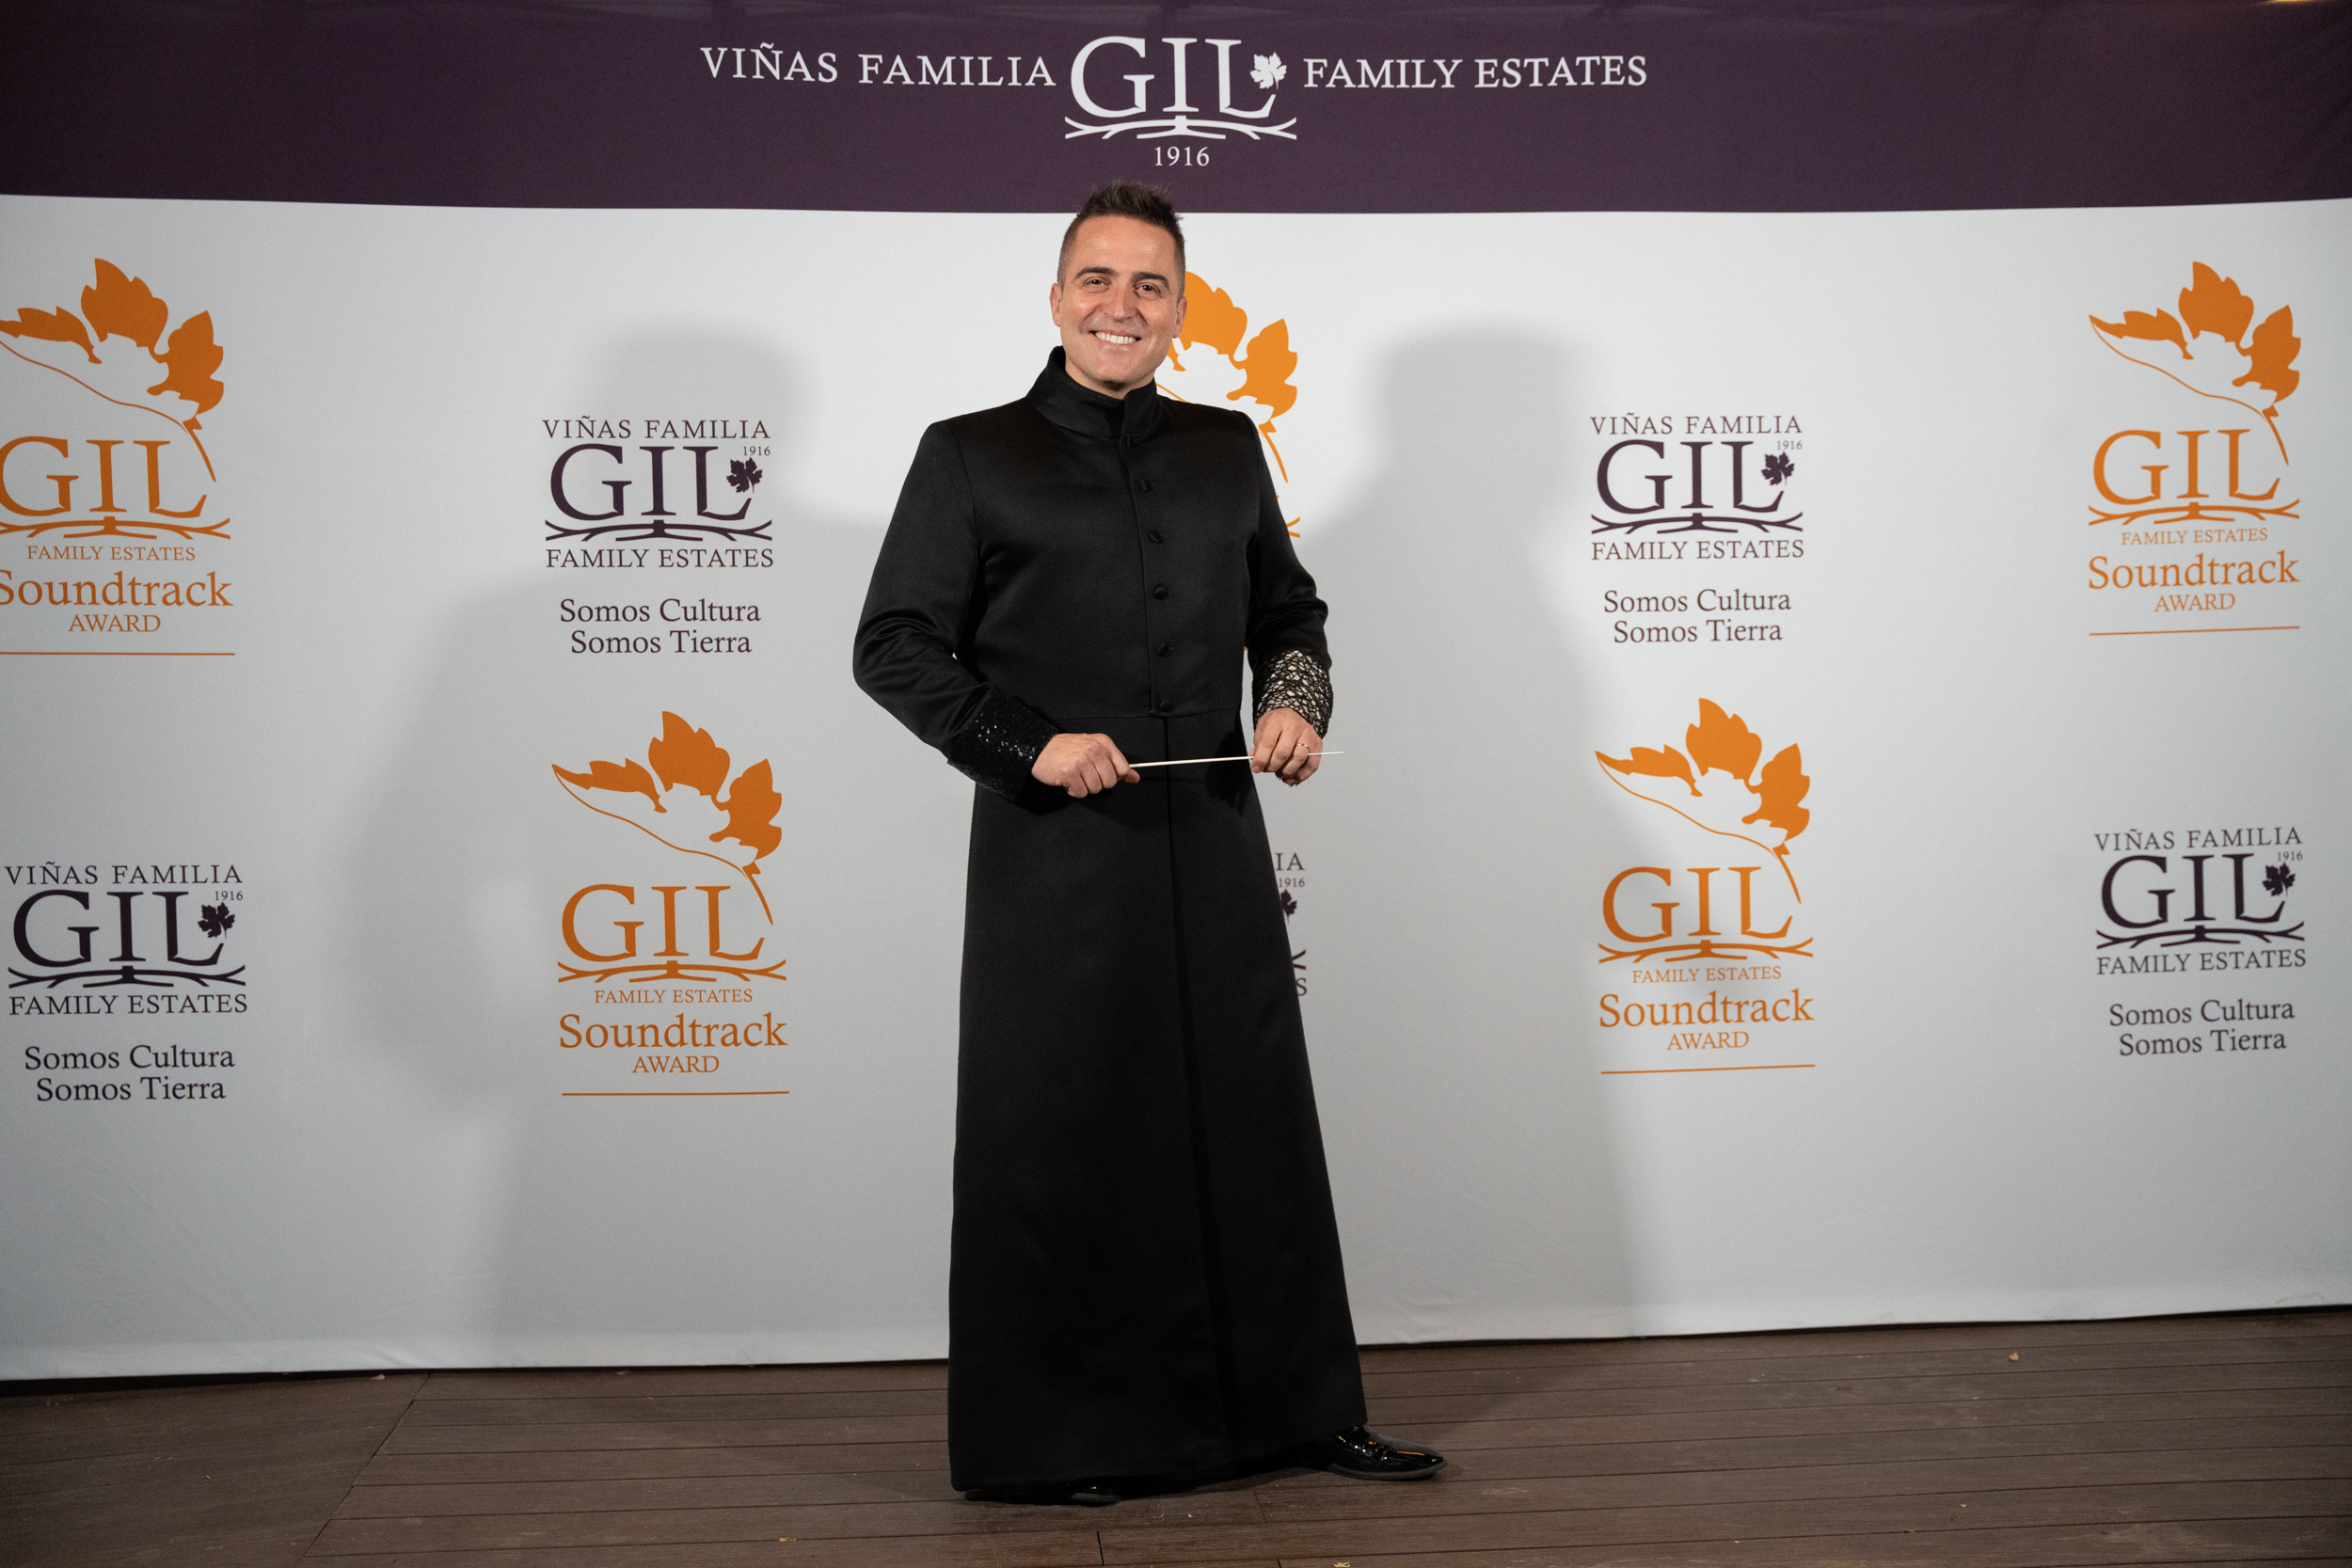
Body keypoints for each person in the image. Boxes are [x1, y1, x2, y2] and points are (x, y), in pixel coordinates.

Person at [852, 182, 1442, 1504]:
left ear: (1180, 310)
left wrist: (1293, 702)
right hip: (1055, 860)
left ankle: (1300, 1415)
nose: (1122, 306)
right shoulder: (969, 454)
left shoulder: (1228, 447)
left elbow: (1288, 614)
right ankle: (1064, 1442)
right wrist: (1027, 740)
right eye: (1098, 280)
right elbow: (891, 644)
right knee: (1069, 1134)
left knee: (1249, 1121)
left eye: (1150, 285)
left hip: (1215, 839)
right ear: (1057, 297)